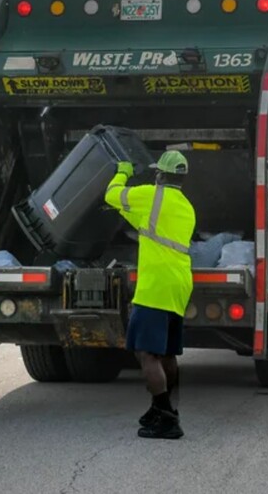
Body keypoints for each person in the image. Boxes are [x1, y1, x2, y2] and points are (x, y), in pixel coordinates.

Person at [104, 150, 195, 439]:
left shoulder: (150, 194)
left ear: (160, 175)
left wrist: (123, 171)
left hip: (155, 287)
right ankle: (166, 410)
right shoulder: (186, 207)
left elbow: (111, 195)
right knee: (166, 353)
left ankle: (166, 417)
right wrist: (126, 211)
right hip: (179, 285)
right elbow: (148, 226)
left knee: (145, 353)